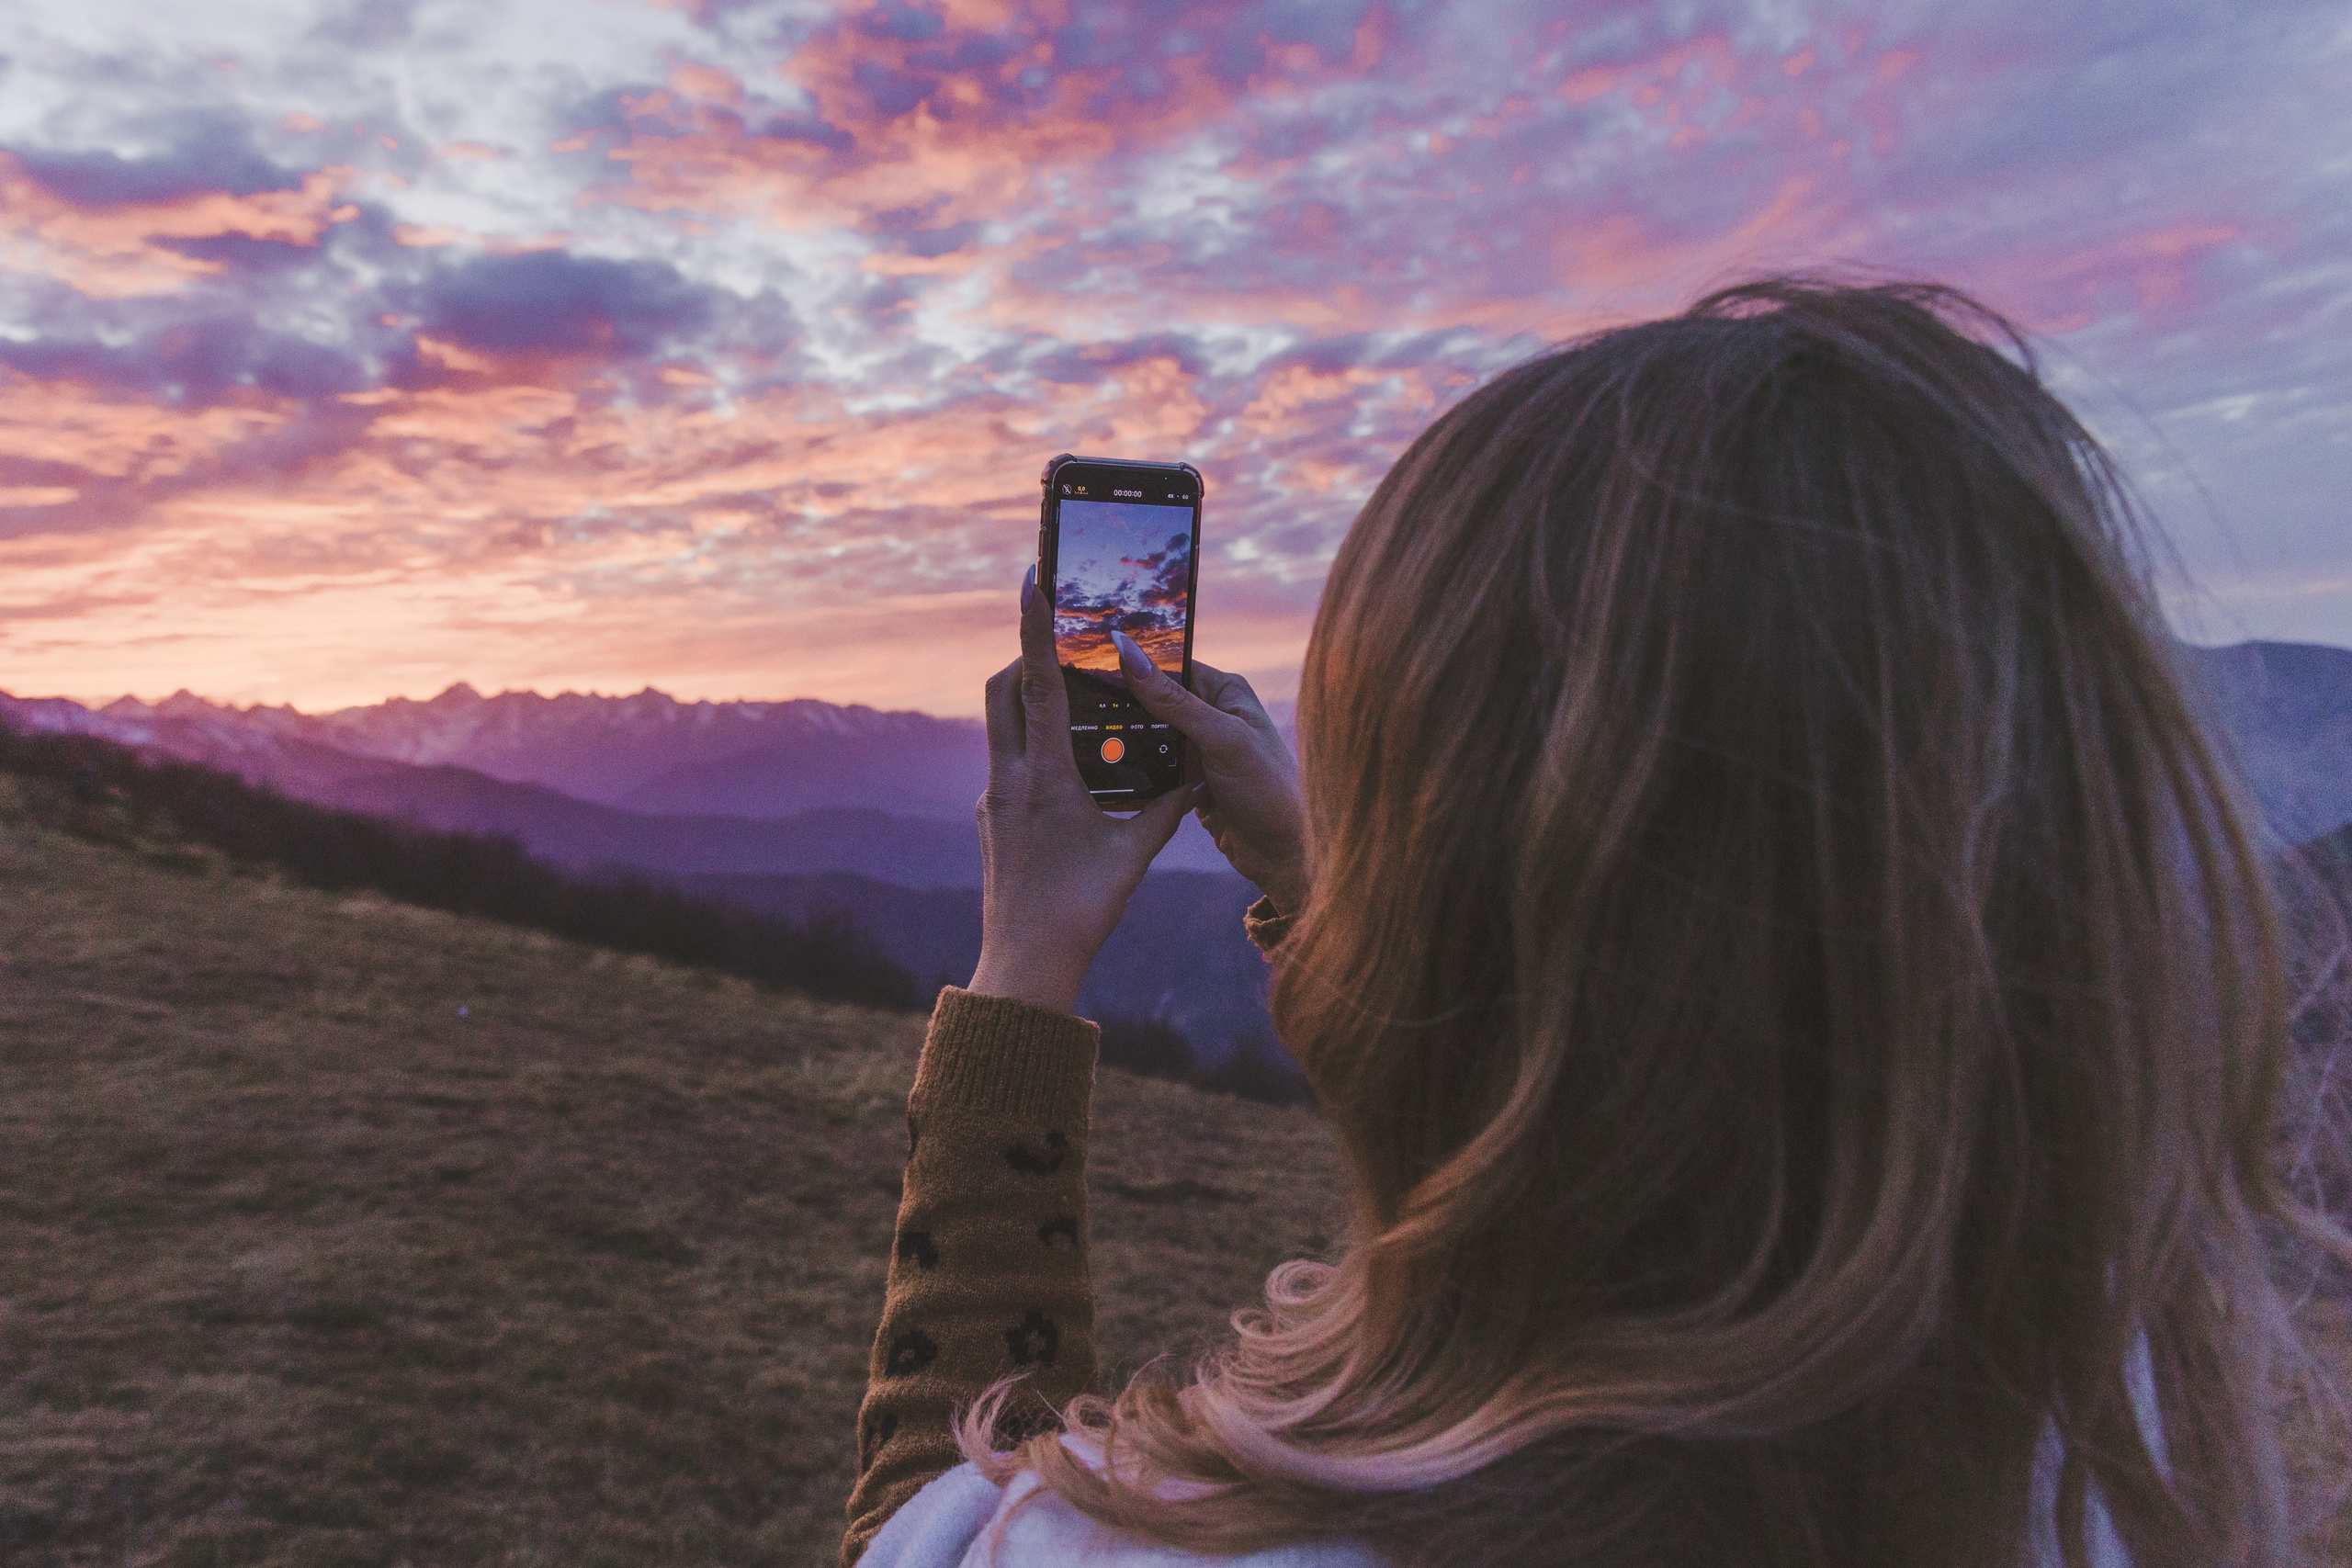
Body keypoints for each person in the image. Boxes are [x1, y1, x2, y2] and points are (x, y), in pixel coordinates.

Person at [840, 279, 2345, 1568]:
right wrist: (1333, 888)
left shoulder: (1129, 1550)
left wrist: (1024, 973)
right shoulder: (2105, 1456)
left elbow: (921, 1526)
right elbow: (1655, 1108)